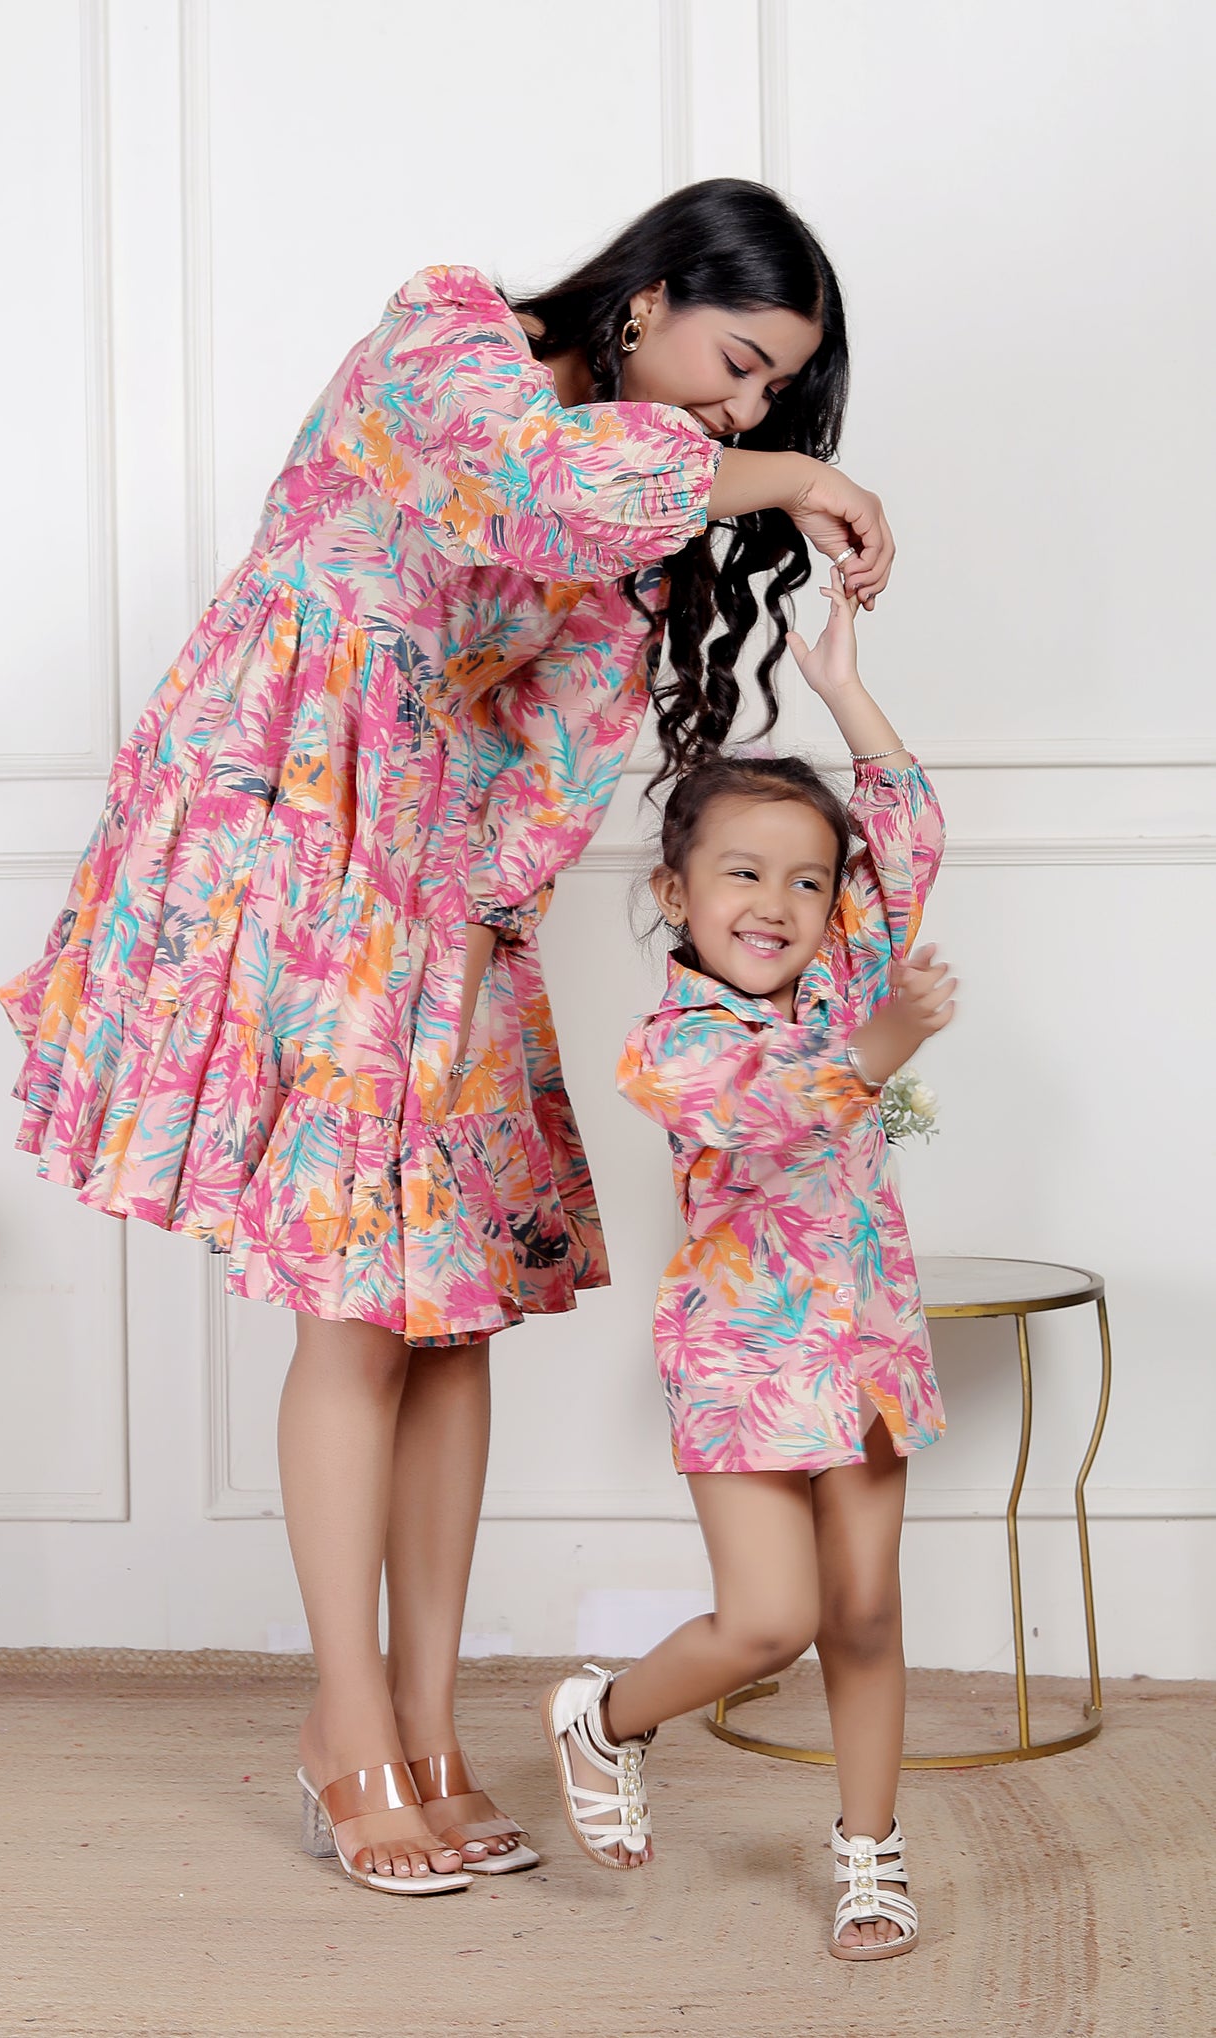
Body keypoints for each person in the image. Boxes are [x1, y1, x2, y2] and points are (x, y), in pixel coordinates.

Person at [0, 178, 896, 1898]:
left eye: (777, 396)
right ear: (645, 299)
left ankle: (428, 1718)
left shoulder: (626, 510)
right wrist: (781, 477)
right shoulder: (450, 337)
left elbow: (555, 740)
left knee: (452, 1309)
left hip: (433, 891)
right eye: (738, 363)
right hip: (280, 843)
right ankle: (347, 1725)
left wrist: (478, 903)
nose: (746, 409)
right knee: (356, 1304)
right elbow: (528, 481)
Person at [542, 569, 954, 1959]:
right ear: (674, 890)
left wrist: (839, 687)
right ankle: (603, 1716)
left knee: (863, 1610)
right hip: (740, 1358)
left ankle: (867, 1854)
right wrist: (883, 1050)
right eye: (740, 871)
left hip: (869, 1344)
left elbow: (905, 832)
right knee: (769, 1618)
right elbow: (772, 1120)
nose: (776, 899)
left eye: (806, 877)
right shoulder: (675, 1042)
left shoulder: (839, 976)